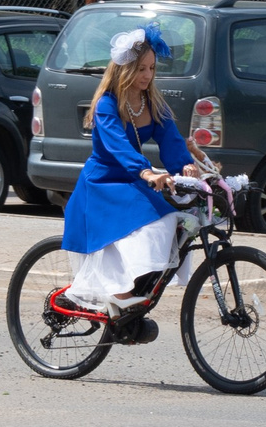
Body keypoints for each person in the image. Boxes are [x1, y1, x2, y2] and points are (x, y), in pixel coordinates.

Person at [58, 25, 210, 343]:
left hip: (132, 180)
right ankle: (121, 295)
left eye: (152, 68)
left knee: (173, 218)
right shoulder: (106, 105)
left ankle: (135, 292)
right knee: (151, 224)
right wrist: (146, 172)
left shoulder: (152, 103)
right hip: (102, 184)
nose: (147, 75)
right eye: (141, 69)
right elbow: (117, 147)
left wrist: (184, 165)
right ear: (125, 70)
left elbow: (171, 141)